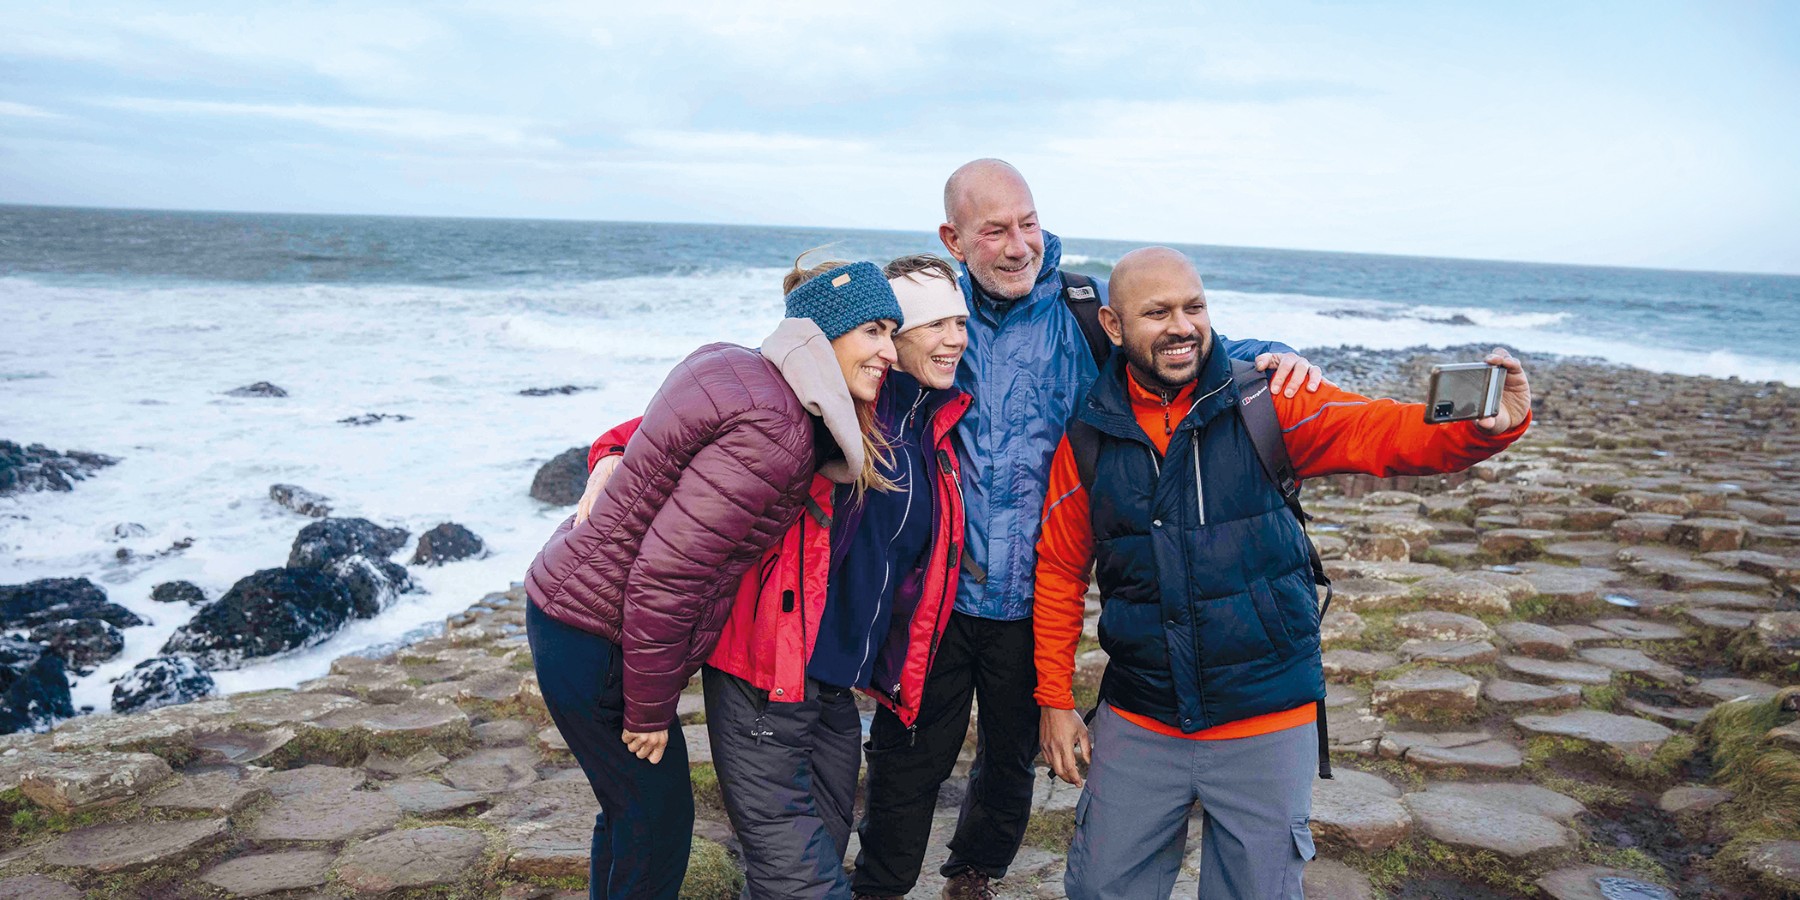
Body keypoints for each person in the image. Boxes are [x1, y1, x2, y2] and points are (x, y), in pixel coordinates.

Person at [852, 160, 1325, 900]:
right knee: (906, 758)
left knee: (1010, 759)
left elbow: (1182, 343)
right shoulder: (936, 317)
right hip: (936, 594)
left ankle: (973, 874)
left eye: (1029, 224)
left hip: (1034, 591)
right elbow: (845, 357)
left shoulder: (1086, 310)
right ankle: (877, 888)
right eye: (994, 231)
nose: (1018, 246)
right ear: (953, 239)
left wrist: (1277, 352)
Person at [1032, 247, 1533, 899]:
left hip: (1266, 716)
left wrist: (1487, 430)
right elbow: (1059, 571)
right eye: (1157, 313)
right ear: (1113, 325)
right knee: (1101, 888)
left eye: (1194, 307)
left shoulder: (1266, 401)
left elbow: (1383, 433)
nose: (1182, 326)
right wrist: (1055, 701)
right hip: (1141, 715)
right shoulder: (1088, 435)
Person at [573, 255, 978, 899]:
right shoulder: (826, 401)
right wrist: (610, 453)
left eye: (961, 321)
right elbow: (677, 425)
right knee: (801, 875)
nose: (955, 337)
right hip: (767, 668)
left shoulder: (938, 422)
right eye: (933, 324)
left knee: (818, 851)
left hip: (835, 681)